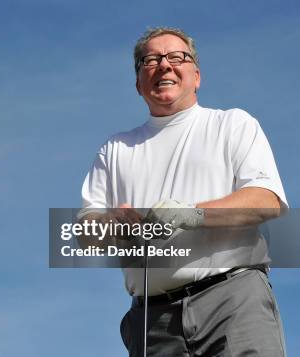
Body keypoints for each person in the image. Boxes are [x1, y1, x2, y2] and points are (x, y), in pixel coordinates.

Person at [79, 28, 287, 356]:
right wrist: (110, 225)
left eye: (177, 57)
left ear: (197, 75)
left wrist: (193, 212)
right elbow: (85, 234)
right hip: (152, 322)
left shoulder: (232, 125)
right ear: (137, 83)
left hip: (232, 303)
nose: (164, 65)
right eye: (151, 60)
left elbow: (266, 199)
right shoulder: (115, 149)